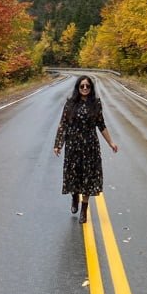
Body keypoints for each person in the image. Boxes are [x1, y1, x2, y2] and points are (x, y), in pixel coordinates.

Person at [54, 75, 118, 223]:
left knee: (88, 177)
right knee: (74, 175)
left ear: (91, 88)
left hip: (90, 146)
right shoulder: (70, 104)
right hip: (73, 145)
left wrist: (111, 143)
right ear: (77, 88)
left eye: (87, 86)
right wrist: (58, 144)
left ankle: (84, 209)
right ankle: (75, 197)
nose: (84, 88)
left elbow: (101, 125)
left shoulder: (96, 104)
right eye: (82, 86)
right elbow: (63, 124)